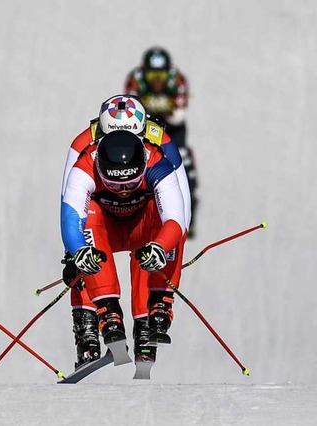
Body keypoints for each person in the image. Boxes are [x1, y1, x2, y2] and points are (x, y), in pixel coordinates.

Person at [61, 95, 191, 370]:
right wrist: (74, 254)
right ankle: (94, 324)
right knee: (84, 245)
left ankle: (151, 314)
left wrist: (165, 249)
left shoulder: (161, 148)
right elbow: (71, 211)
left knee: (162, 225)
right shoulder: (83, 150)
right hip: (103, 221)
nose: (122, 189)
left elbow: (179, 214)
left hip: (143, 221)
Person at [124, 47, 199, 238]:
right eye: (152, 75)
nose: (157, 81)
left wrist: (150, 106)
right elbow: (131, 110)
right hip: (143, 127)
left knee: (183, 161)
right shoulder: (134, 78)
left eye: (161, 75)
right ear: (144, 72)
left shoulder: (178, 79)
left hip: (172, 129)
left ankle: (188, 210)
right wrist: (162, 107)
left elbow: (178, 117)